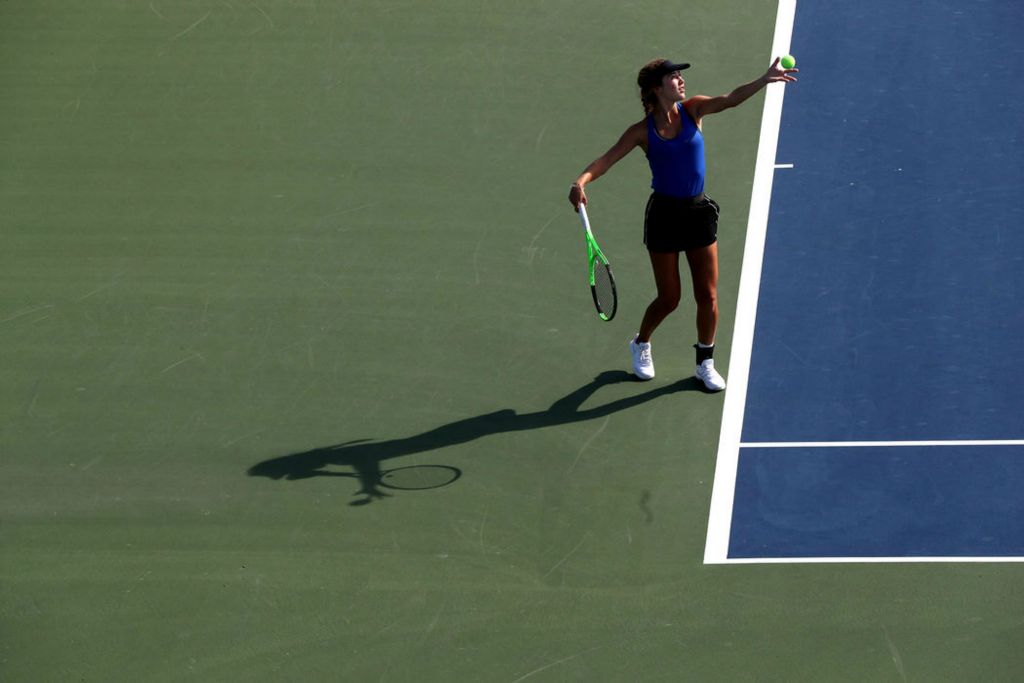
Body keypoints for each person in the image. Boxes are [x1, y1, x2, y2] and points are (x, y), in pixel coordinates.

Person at [568, 57, 797, 390]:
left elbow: (730, 99)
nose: (680, 80)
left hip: (698, 212)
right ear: (656, 89)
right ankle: (641, 342)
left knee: (708, 295)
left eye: (679, 75)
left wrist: (764, 79)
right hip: (663, 216)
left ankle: (705, 362)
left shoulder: (694, 110)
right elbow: (607, 159)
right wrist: (581, 181)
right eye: (673, 77)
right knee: (670, 298)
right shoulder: (641, 132)